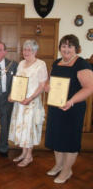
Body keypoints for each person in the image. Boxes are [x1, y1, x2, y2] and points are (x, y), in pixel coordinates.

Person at [45, 34, 93, 184]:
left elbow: (89, 88)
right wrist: (47, 86)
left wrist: (71, 101)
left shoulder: (82, 64)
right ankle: (59, 165)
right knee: (57, 138)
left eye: (70, 46)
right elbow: (50, 81)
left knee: (70, 141)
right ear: (60, 48)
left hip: (72, 109)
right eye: (63, 46)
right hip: (56, 107)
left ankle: (67, 171)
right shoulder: (57, 62)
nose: (66, 49)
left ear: (76, 48)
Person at [8, 40, 48, 167]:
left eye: (30, 50)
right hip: (19, 102)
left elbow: (42, 85)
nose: (26, 52)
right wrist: (12, 95)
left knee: (29, 129)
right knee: (21, 128)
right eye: (25, 49)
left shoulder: (41, 64)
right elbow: (17, 82)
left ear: (35, 51)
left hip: (31, 103)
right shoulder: (21, 64)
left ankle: (29, 156)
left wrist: (30, 98)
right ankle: (23, 153)